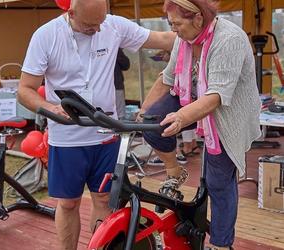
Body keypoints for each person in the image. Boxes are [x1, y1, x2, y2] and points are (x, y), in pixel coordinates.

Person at [17, 0, 175, 249]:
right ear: (70, 12)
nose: (97, 30)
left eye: (100, 22)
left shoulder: (112, 25)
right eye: (90, 25)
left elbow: (165, 39)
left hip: (105, 134)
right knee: (68, 203)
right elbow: (24, 90)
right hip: (66, 137)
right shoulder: (46, 36)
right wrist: (51, 109)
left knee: (104, 199)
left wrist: (209, 33)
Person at [138, 0, 261, 249]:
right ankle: (175, 171)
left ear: (197, 18)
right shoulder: (183, 40)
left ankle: (221, 243)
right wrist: (142, 114)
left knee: (218, 182)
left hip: (228, 114)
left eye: (177, 23)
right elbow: (168, 78)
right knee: (151, 123)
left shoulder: (229, 40)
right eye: (170, 23)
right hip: (193, 98)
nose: (173, 29)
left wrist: (182, 117)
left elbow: (215, 96)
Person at [114, 48, 130, 119]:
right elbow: (126, 65)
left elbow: (126, 65)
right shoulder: (115, 49)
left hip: (116, 85)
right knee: (119, 114)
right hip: (116, 85)